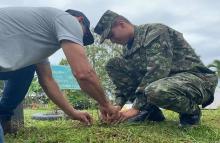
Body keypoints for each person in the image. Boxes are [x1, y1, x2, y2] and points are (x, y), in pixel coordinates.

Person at [0, 7, 120, 140]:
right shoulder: (67, 19)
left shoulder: (37, 42)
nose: (79, 40)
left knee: (27, 69)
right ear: (79, 20)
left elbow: (48, 81)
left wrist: (73, 112)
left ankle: (2, 116)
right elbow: (84, 73)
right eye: (84, 35)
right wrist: (106, 104)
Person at [94, 10, 218, 127]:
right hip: (166, 82)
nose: (112, 41)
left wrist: (135, 108)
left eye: (111, 35)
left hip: (196, 80)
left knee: (155, 90)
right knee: (114, 64)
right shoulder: (128, 48)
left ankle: (191, 113)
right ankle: (149, 112)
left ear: (122, 24)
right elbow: (126, 83)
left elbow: (157, 71)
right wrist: (116, 106)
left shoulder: (155, 31)